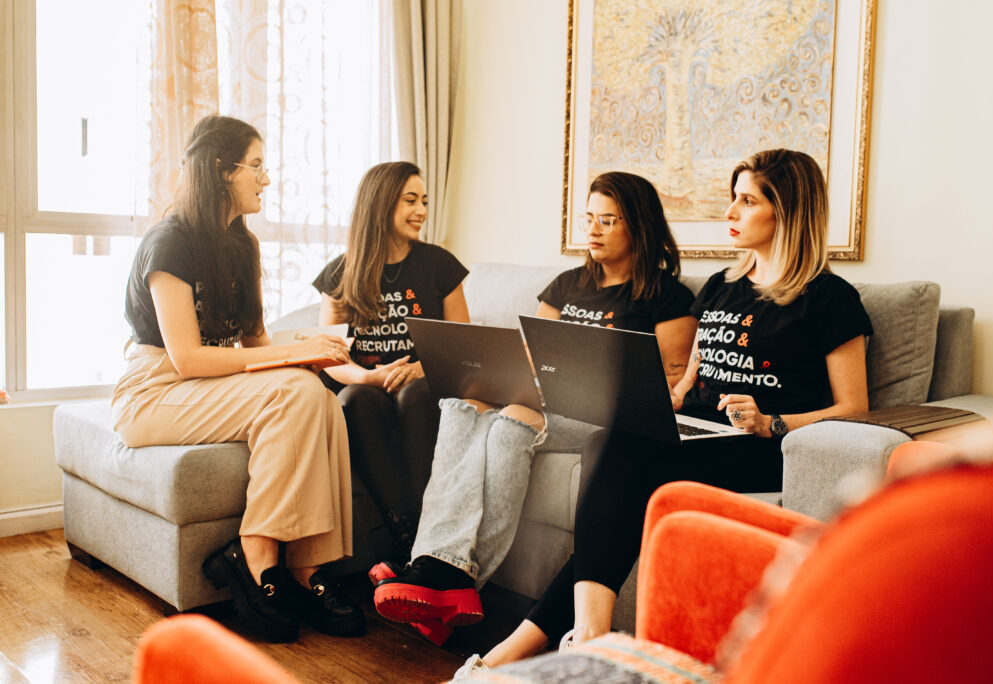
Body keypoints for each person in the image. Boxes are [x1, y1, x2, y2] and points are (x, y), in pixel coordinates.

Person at [455, 148, 874, 676]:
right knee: (613, 442)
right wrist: (655, 400)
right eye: (733, 199)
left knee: (617, 453)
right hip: (693, 431)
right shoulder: (723, 286)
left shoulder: (831, 300)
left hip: (758, 446)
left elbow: (855, 407)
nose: (731, 213)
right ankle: (573, 640)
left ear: (786, 212)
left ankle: (556, 645)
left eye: (746, 202)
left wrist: (773, 422)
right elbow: (689, 380)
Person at [370, 171, 698, 644]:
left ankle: (460, 580)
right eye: (589, 218)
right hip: (552, 401)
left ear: (639, 227)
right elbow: (531, 355)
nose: (593, 230)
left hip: (610, 418)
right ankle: (431, 565)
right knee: (464, 404)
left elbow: (667, 382)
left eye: (608, 220)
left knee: (512, 421)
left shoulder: (667, 297)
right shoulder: (567, 284)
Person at [112, 115, 361, 643]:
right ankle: (254, 554)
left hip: (205, 383)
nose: (265, 180)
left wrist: (309, 350)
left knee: (314, 395)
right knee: (294, 388)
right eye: (256, 167)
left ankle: (308, 568)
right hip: (154, 388)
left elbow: (256, 347)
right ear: (222, 171)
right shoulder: (170, 241)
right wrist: (294, 360)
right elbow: (187, 359)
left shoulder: (241, 246)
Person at [313, 161, 470, 561]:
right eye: (410, 200)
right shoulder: (341, 272)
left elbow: (464, 345)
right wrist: (368, 377)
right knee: (354, 401)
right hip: (367, 384)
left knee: (415, 395)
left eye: (425, 201)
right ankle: (407, 530)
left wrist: (420, 368)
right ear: (381, 204)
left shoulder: (438, 264)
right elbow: (330, 357)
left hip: (425, 382)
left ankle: (422, 530)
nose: (421, 210)